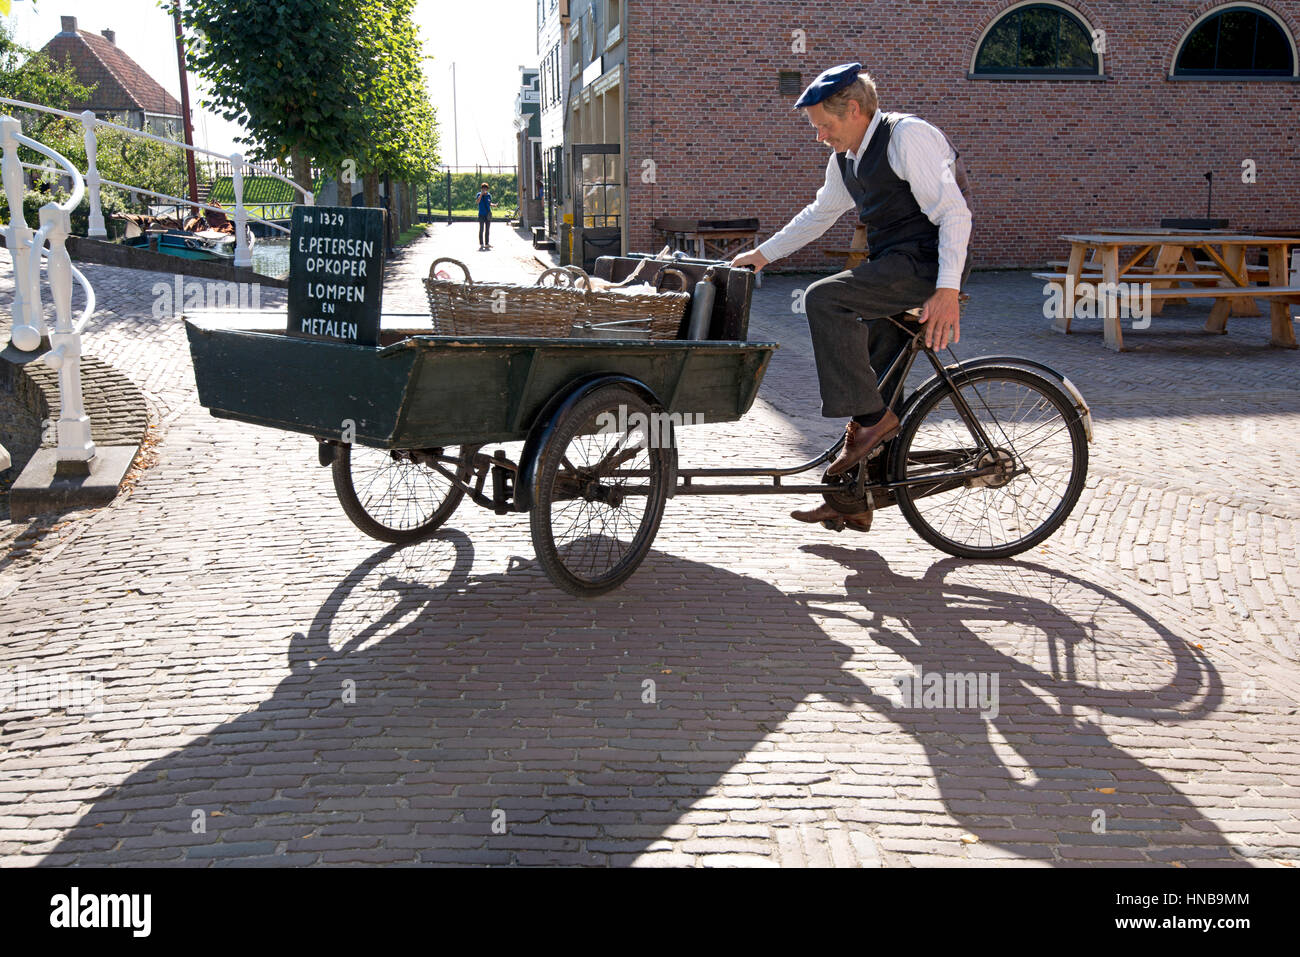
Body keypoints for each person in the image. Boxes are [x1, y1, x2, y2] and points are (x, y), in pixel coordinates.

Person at [732, 62, 973, 533]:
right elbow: (820, 213)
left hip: (926, 264)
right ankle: (853, 499)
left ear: (856, 110)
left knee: (826, 299)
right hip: (891, 266)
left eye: (825, 126)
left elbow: (954, 214)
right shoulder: (847, 155)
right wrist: (762, 255)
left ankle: (873, 422)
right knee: (876, 382)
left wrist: (947, 288)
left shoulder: (908, 137)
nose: (820, 136)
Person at [477, 183, 498, 250]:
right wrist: (481, 194)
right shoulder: (478, 194)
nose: (484, 190)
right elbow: (477, 201)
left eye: (486, 188)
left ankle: (487, 243)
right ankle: (481, 244)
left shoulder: (489, 195)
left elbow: (489, 203)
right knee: (481, 229)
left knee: (487, 230)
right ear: (481, 189)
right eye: (483, 188)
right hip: (481, 214)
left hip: (488, 214)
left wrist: (493, 205)